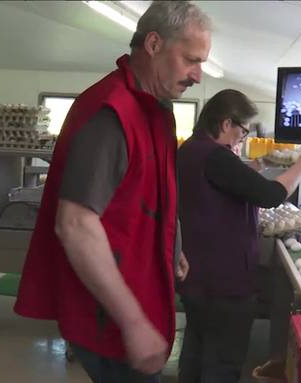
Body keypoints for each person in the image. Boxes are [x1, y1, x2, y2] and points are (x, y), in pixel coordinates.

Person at [13, 2, 211, 382]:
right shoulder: (111, 114)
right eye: (191, 59)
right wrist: (133, 322)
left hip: (141, 289)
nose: (197, 75)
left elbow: (150, 190)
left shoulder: (156, 109)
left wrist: (174, 243)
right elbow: (75, 225)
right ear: (154, 43)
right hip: (111, 312)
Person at [177, 89, 301, 383]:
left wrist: (258, 167)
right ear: (226, 124)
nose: (241, 139)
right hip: (224, 283)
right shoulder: (216, 156)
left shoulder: (190, 150)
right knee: (222, 363)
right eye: (242, 132)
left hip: (195, 276)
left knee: (196, 353)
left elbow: (220, 184)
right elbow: (270, 195)